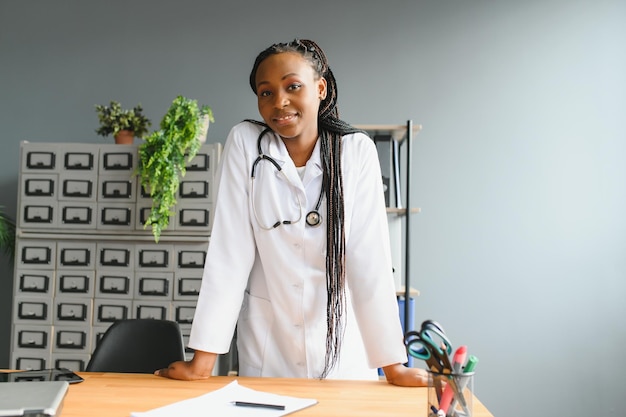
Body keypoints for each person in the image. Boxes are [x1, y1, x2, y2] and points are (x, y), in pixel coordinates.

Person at [155, 39, 427, 386]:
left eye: (292, 86)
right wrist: (202, 363)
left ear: (320, 88)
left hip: (342, 354)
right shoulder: (246, 144)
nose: (278, 102)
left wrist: (394, 368)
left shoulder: (355, 151)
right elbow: (229, 254)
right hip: (270, 353)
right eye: (265, 92)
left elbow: (368, 260)